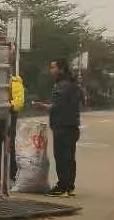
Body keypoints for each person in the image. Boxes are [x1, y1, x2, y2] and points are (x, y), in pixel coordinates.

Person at [33, 58, 81, 196]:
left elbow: (58, 107)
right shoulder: (72, 84)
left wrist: (42, 106)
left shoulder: (63, 85)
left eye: (53, 67)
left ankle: (62, 186)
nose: (51, 70)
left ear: (61, 69)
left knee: (61, 157)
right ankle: (69, 186)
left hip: (63, 126)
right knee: (69, 157)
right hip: (71, 125)